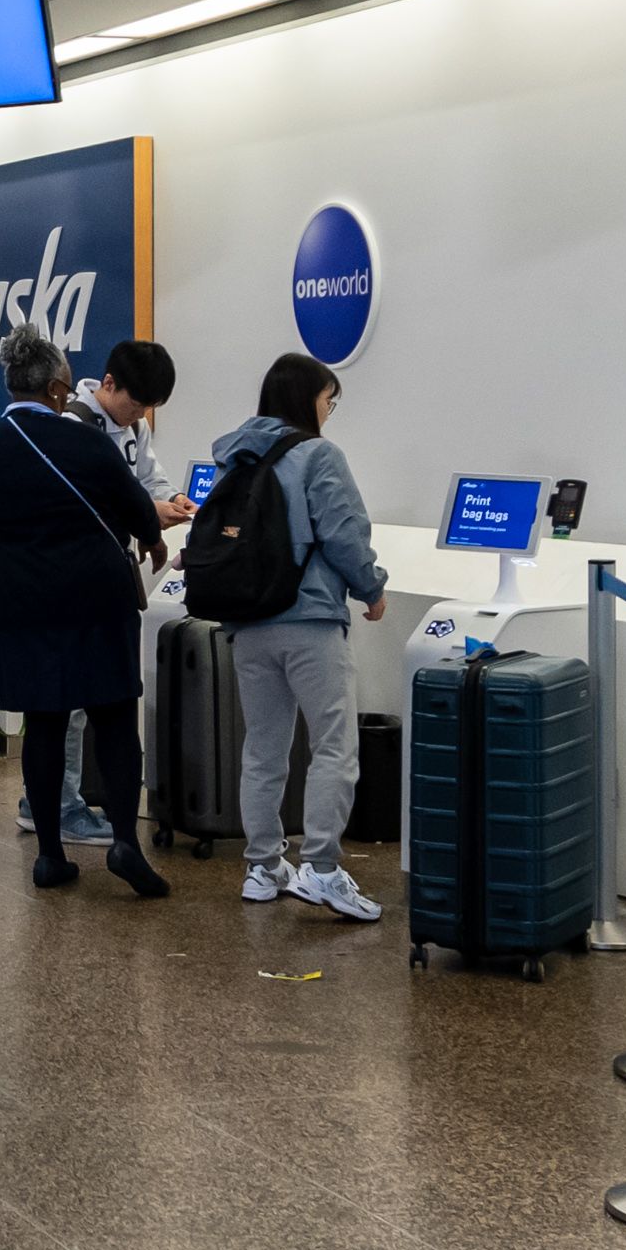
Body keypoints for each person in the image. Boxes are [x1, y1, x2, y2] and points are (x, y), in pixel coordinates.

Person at [0, 326, 168, 899]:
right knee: (116, 721)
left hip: (23, 609)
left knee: (44, 726)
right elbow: (137, 508)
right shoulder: (90, 444)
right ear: (53, 389)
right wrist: (154, 538)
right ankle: (124, 842)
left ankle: (49, 854)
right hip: (97, 601)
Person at [213, 353, 392, 920]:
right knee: (334, 746)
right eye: (327, 399)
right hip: (310, 620)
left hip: (248, 622)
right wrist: (372, 588)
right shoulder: (319, 456)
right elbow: (344, 534)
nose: (329, 411)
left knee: (264, 747)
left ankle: (263, 868)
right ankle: (321, 868)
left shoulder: (235, 455)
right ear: (307, 400)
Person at [19, 339, 197, 845]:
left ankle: (50, 798)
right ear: (109, 384)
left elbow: (148, 478)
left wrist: (169, 500)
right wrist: (144, 513)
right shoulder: (70, 426)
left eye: (146, 410)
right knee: (65, 702)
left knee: (78, 700)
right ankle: (54, 803)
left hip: (105, 578)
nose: (138, 415)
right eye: (133, 404)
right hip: (70, 580)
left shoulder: (132, 426)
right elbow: (82, 502)